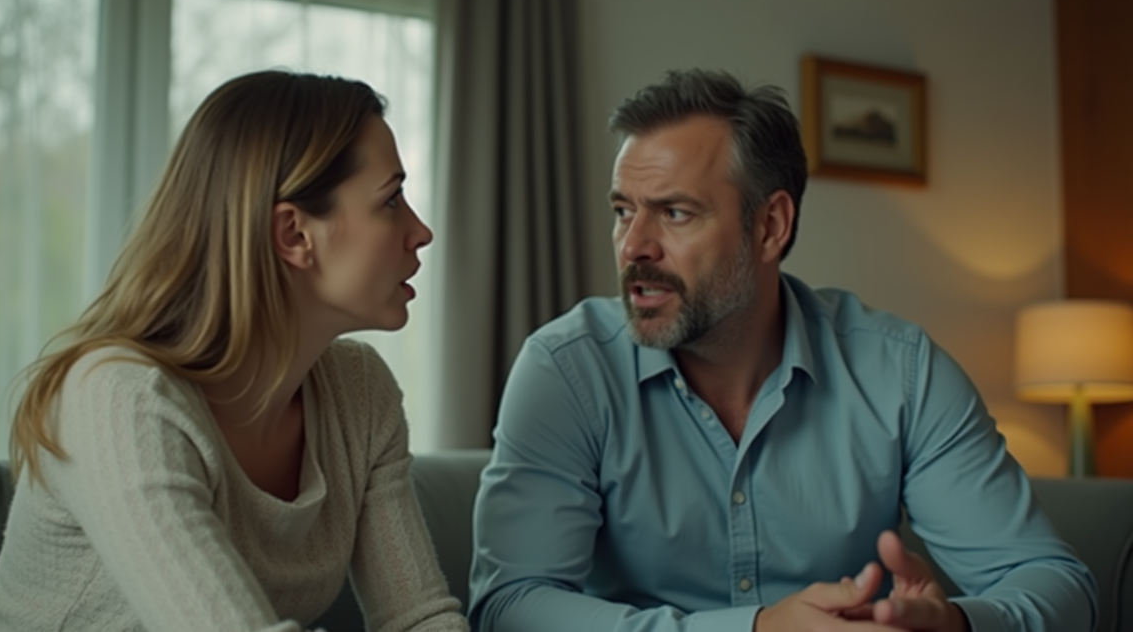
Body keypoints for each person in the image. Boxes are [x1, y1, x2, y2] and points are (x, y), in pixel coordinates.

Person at [468, 69, 1097, 632]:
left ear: (770, 226)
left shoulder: (900, 373)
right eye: (622, 211)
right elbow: (509, 605)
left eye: (675, 213)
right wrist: (757, 630)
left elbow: (1058, 585)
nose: (633, 246)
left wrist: (956, 625)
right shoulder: (567, 370)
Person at [0, 71, 469, 632]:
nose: (421, 231)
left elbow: (418, 618)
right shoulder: (118, 397)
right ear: (293, 234)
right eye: (391, 200)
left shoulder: (361, 391)